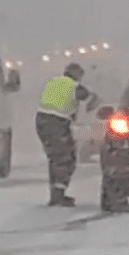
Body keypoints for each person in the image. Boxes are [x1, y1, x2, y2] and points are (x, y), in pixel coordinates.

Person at [36, 62, 95, 206]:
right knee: (66, 158)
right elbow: (92, 100)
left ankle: (55, 192)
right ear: (76, 74)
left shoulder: (54, 81)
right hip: (57, 122)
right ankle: (58, 195)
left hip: (41, 120)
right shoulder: (74, 86)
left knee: (55, 158)